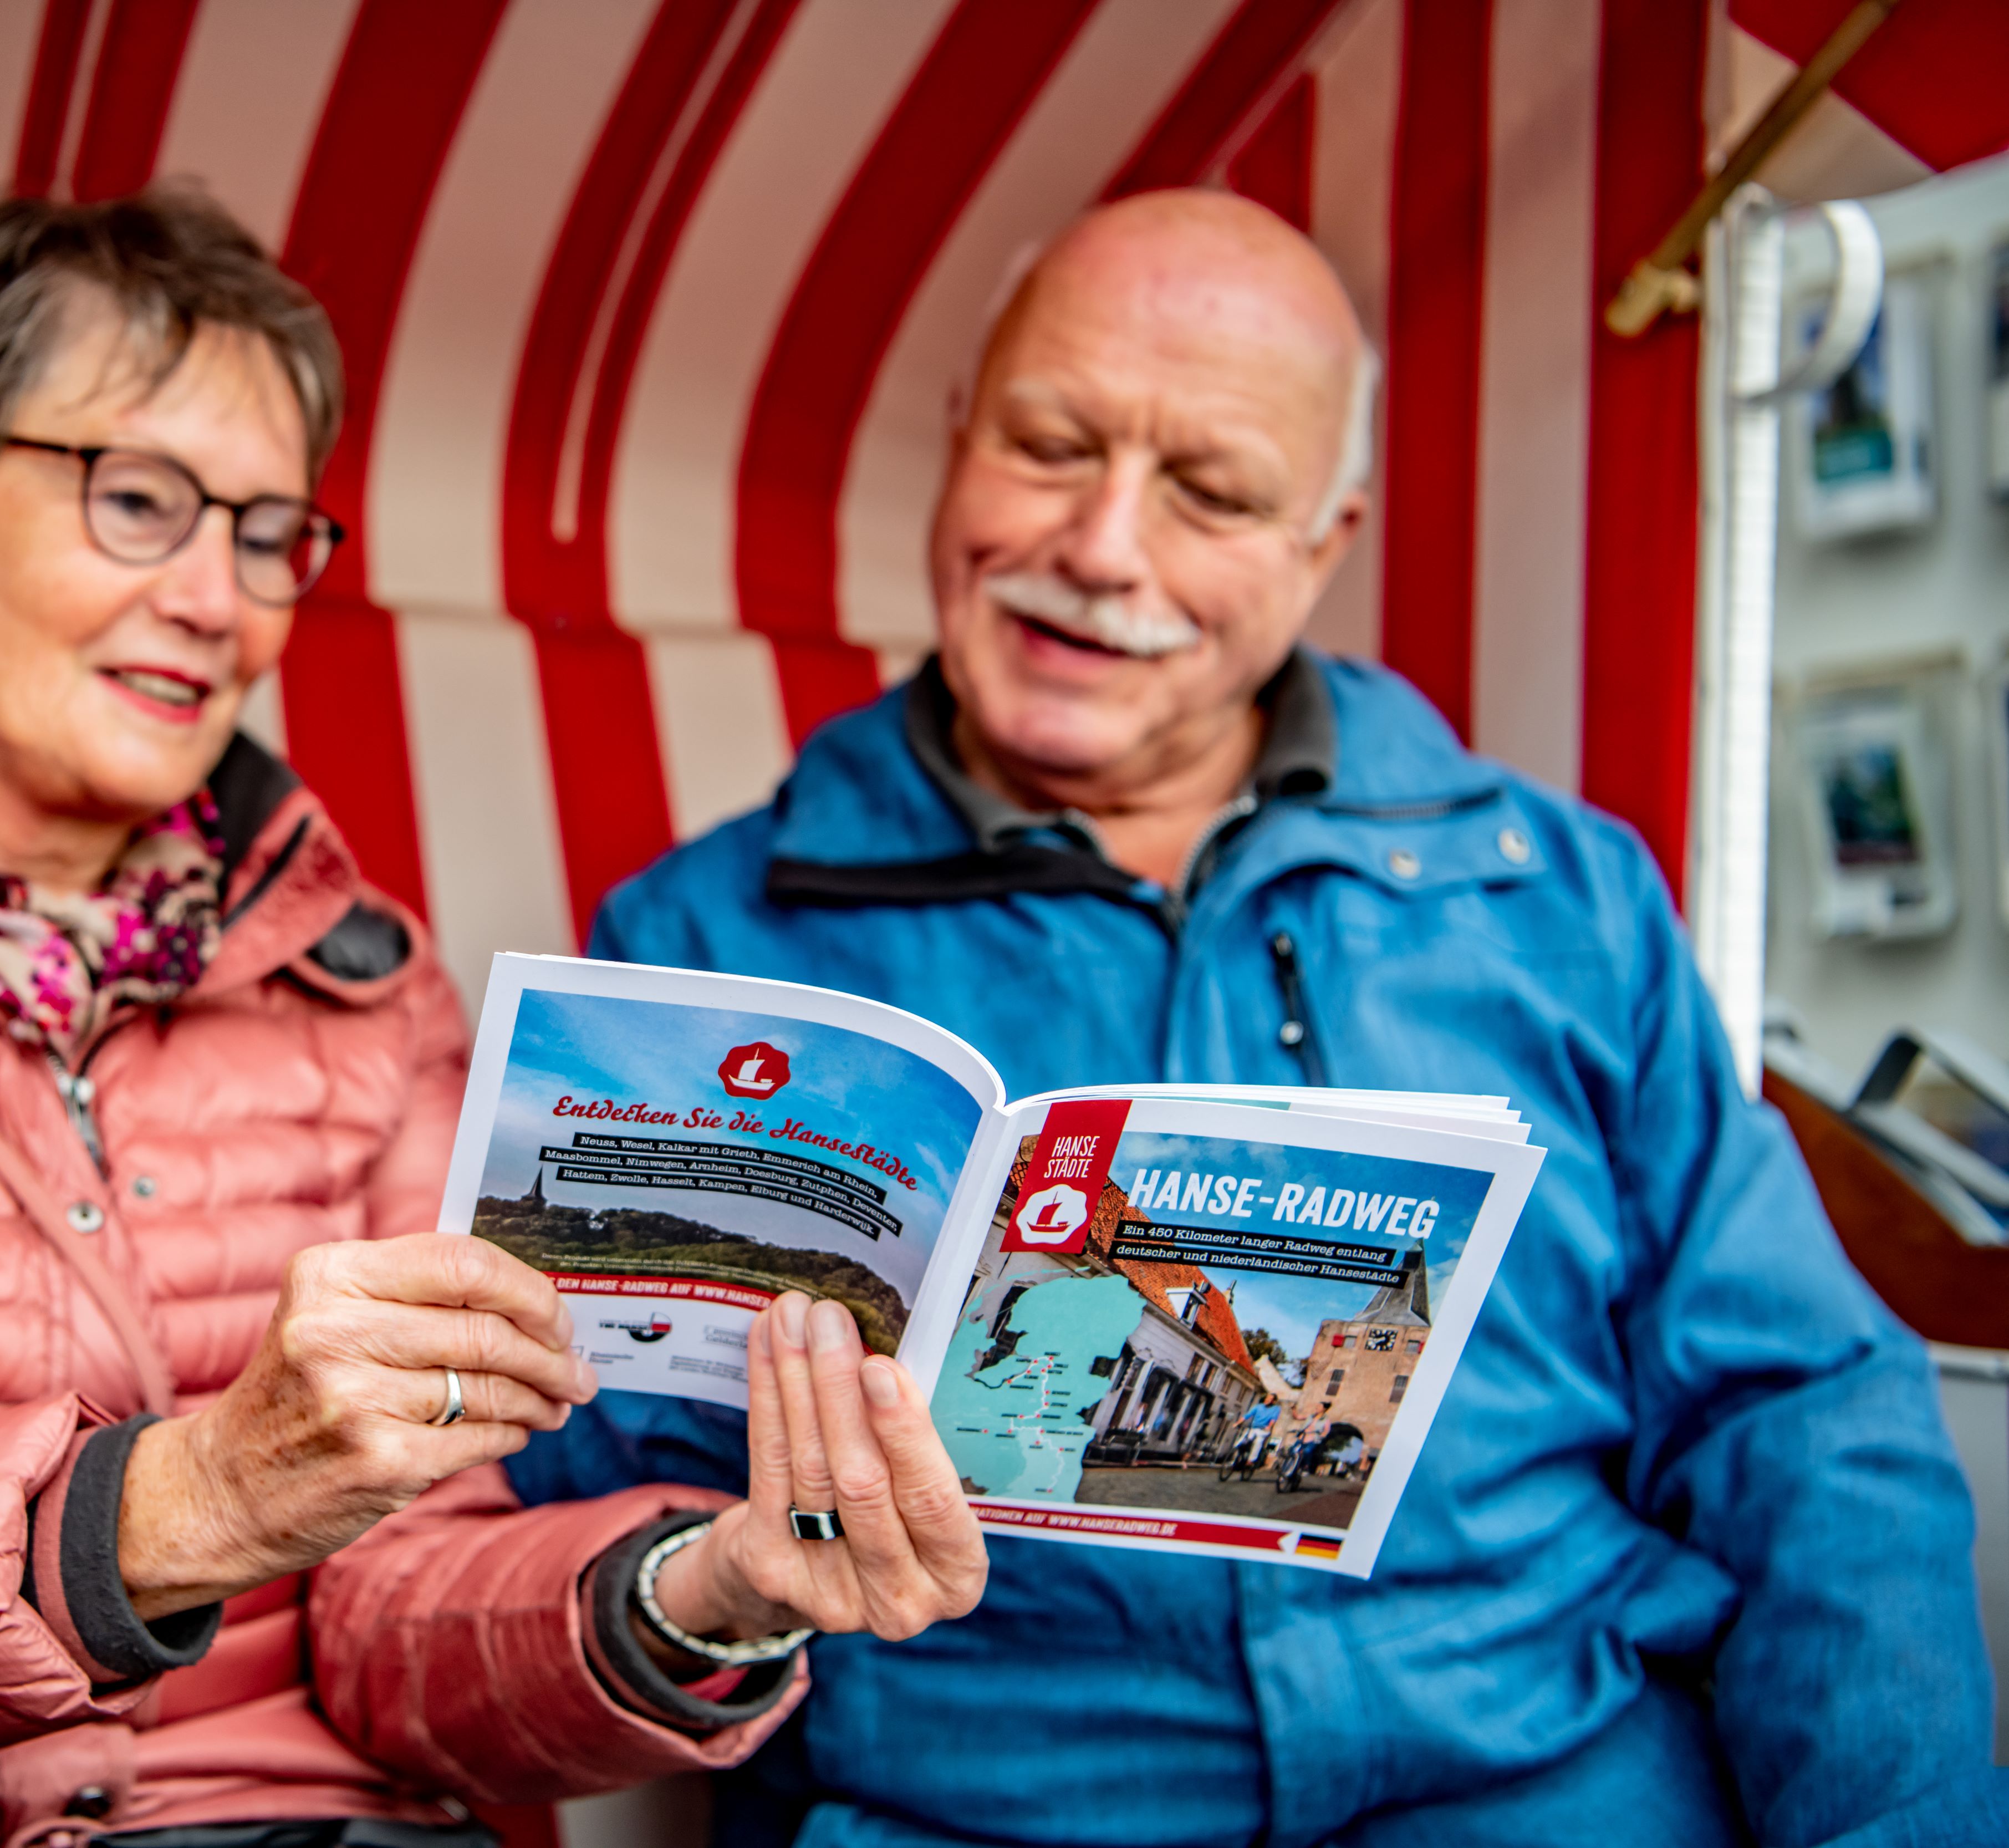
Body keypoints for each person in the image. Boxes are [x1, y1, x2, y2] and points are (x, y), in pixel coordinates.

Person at [0, 189, 980, 1848]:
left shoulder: (363, 981)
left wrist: (701, 1591)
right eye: (139, 501)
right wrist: (177, 1507)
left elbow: (394, 1615)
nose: (220, 601)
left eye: (268, 534)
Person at [497, 190, 2003, 1845]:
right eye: (1049, 445)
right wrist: (732, 1513)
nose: (1103, 547)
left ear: (1325, 543)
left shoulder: (1564, 900)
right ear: (960, 433)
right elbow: (584, 1491)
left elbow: (1801, 1409)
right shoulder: (699, 943)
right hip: (983, 1807)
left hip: (1550, 1778)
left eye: (1210, 492)